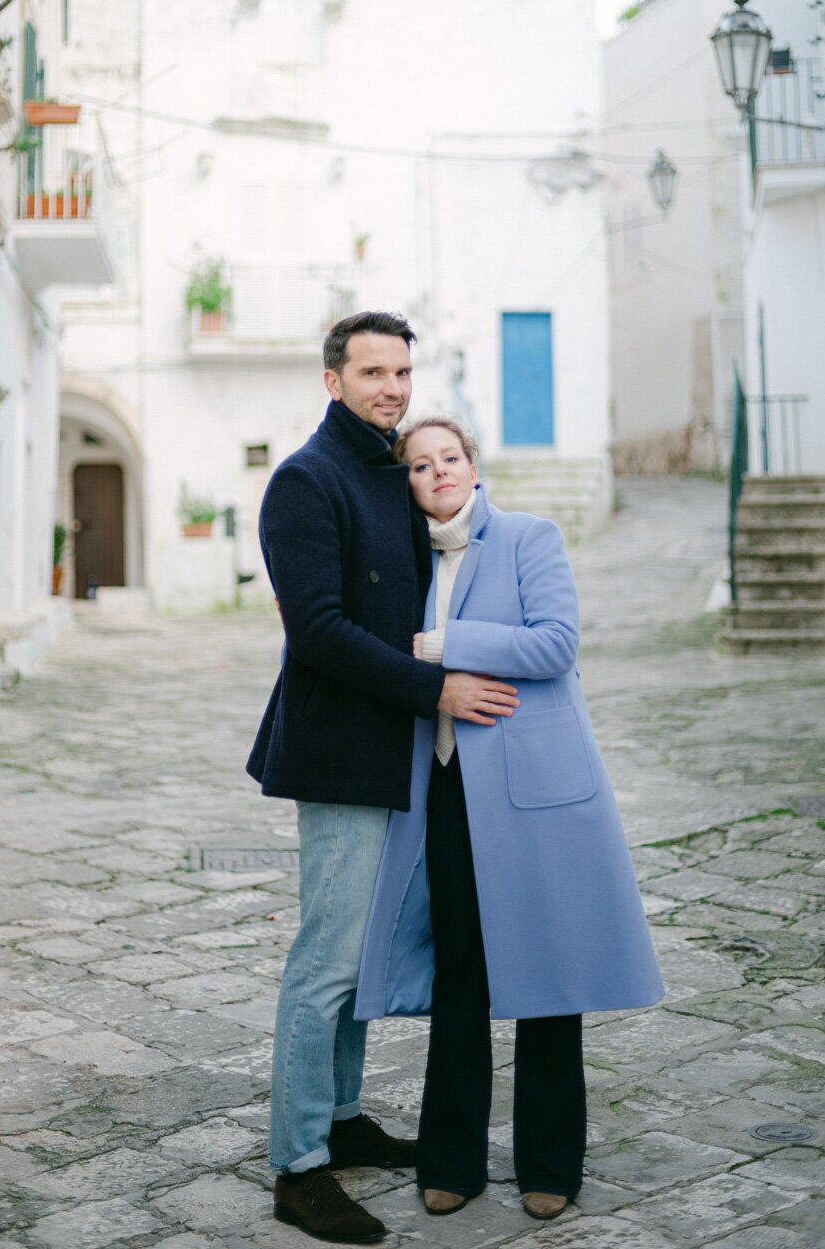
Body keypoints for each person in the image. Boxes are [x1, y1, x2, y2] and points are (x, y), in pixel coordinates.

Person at [247, 317, 521, 1245]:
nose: (392, 386)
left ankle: (341, 1115)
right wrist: (437, 686)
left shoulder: (393, 474)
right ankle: (298, 1164)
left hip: (404, 750)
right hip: (340, 751)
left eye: (403, 370)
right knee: (324, 962)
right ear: (334, 380)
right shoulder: (305, 480)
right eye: (372, 371)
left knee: (363, 957)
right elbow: (317, 632)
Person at [355, 416, 664, 1223]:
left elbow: (556, 643)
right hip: (449, 791)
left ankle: (550, 1163)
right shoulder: (406, 559)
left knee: (551, 976)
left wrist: (446, 644)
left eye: (450, 458)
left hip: (536, 794)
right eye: (420, 466)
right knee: (462, 972)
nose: (439, 473)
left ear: (473, 465)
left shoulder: (530, 536)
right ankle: (451, 1158)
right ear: (408, 483)